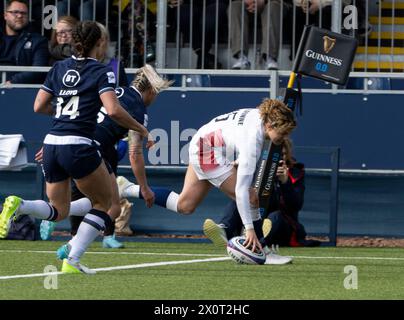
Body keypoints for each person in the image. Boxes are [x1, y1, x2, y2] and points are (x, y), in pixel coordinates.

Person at [0, 21, 153, 274]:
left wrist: (65, 117)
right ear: (100, 43)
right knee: (108, 205)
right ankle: (72, 260)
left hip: (51, 143)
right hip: (79, 145)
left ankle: (21, 204)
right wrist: (141, 128)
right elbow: (114, 110)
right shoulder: (102, 71)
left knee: (59, 211)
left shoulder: (58, 67)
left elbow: (38, 106)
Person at [118, 99, 297, 264]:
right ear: (269, 124)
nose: (285, 137)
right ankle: (261, 247)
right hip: (207, 151)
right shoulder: (253, 142)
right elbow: (242, 191)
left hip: (203, 142)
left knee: (185, 205)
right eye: (283, 132)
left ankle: (127, 188)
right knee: (250, 197)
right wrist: (249, 229)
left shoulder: (258, 114)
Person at [39, 63, 172, 253]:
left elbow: (78, 113)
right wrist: (144, 187)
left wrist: (56, 142)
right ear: (151, 90)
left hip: (68, 140)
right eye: (157, 93)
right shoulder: (139, 111)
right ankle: (72, 247)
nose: (155, 98)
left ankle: (53, 217)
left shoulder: (114, 91)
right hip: (91, 148)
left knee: (92, 202)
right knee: (111, 207)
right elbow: (135, 154)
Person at [203, 137, 319, 248]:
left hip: (283, 226)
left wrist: (285, 183)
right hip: (255, 219)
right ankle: (224, 230)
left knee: (275, 216)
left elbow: (295, 206)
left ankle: (256, 240)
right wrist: (236, 170)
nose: (279, 158)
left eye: (282, 154)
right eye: (275, 155)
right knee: (239, 201)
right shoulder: (255, 168)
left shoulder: (295, 173)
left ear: (287, 155)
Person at [230, 0, 292, 70]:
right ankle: (241, 57)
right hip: (246, 4)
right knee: (235, 6)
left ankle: (270, 58)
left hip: (275, 3)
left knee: (272, 7)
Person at [167, 0, 228, 69]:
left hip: (216, 2)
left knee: (208, 21)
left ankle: (202, 58)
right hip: (188, 3)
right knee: (183, 13)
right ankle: (204, 56)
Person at [0, 0, 49, 84]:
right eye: (15, 12)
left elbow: (38, 69)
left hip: (19, 89)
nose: (19, 16)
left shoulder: (38, 41)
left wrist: (13, 81)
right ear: (5, 15)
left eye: (23, 13)